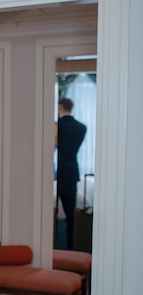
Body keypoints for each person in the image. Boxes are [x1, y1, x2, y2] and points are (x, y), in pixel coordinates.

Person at [56, 97, 87, 250]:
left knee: (52, 213)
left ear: (60, 107)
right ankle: (71, 248)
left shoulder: (57, 126)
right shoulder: (81, 127)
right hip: (72, 172)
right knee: (71, 215)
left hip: (58, 172)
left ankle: (55, 247)